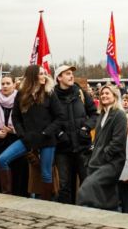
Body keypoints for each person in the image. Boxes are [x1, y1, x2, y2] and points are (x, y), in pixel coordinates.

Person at [0, 65, 61, 199]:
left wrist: (46, 132)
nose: (44, 76)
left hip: (47, 140)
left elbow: (60, 117)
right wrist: (22, 134)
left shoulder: (49, 93)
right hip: (27, 139)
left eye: (44, 73)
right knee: (2, 159)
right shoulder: (21, 94)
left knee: (46, 173)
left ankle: (46, 204)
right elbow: (16, 117)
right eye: (41, 74)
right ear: (33, 76)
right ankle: (6, 196)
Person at [51, 65, 98, 204]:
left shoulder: (81, 93)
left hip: (82, 147)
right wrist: (59, 133)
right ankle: (67, 213)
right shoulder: (51, 96)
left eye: (71, 73)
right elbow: (48, 120)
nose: (71, 76)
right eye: (67, 73)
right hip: (62, 149)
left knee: (86, 183)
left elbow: (95, 114)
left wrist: (86, 128)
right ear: (59, 78)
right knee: (65, 185)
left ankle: (86, 212)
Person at [78, 84, 128, 209]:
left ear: (115, 96)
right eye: (102, 94)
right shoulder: (101, 115)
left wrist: (103, 156)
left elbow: (117, 142)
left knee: (87, 188)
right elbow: (97, 140)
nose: (104, 96)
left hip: (112, 162)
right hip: (97, 161)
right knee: (106, 194)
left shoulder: (119, 115)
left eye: (107, 93)